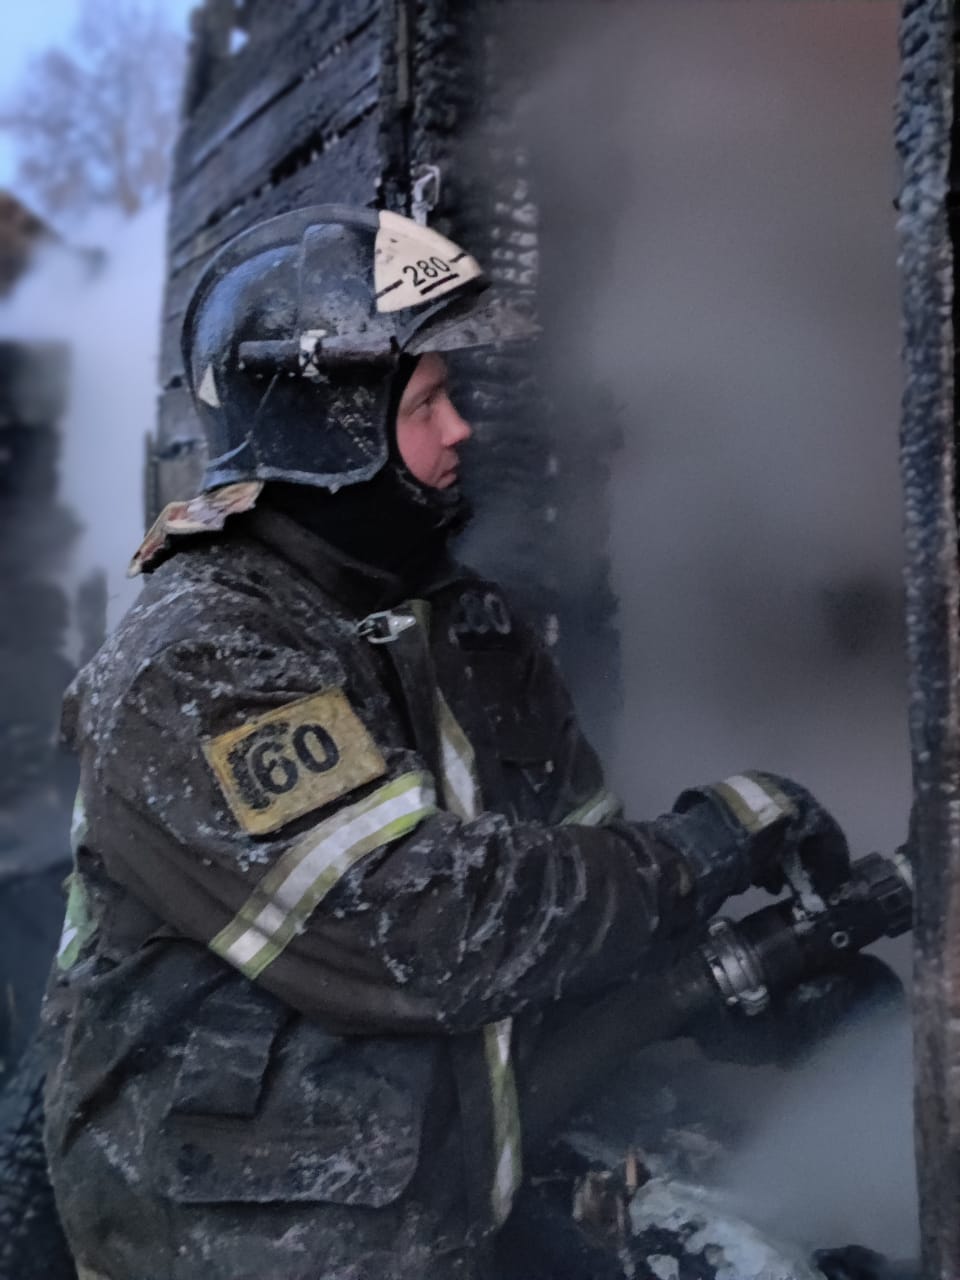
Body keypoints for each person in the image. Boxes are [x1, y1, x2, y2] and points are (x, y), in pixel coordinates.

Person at [42, 205, 850, 1280]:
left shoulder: (465, 625)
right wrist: (704, 850)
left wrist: (734, 989)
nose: (461, 428)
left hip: (444, 1221)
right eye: (425, 403)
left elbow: (565, 910)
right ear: (326, 430)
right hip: (239, 1251)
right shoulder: (201, 658)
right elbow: (418, 925)